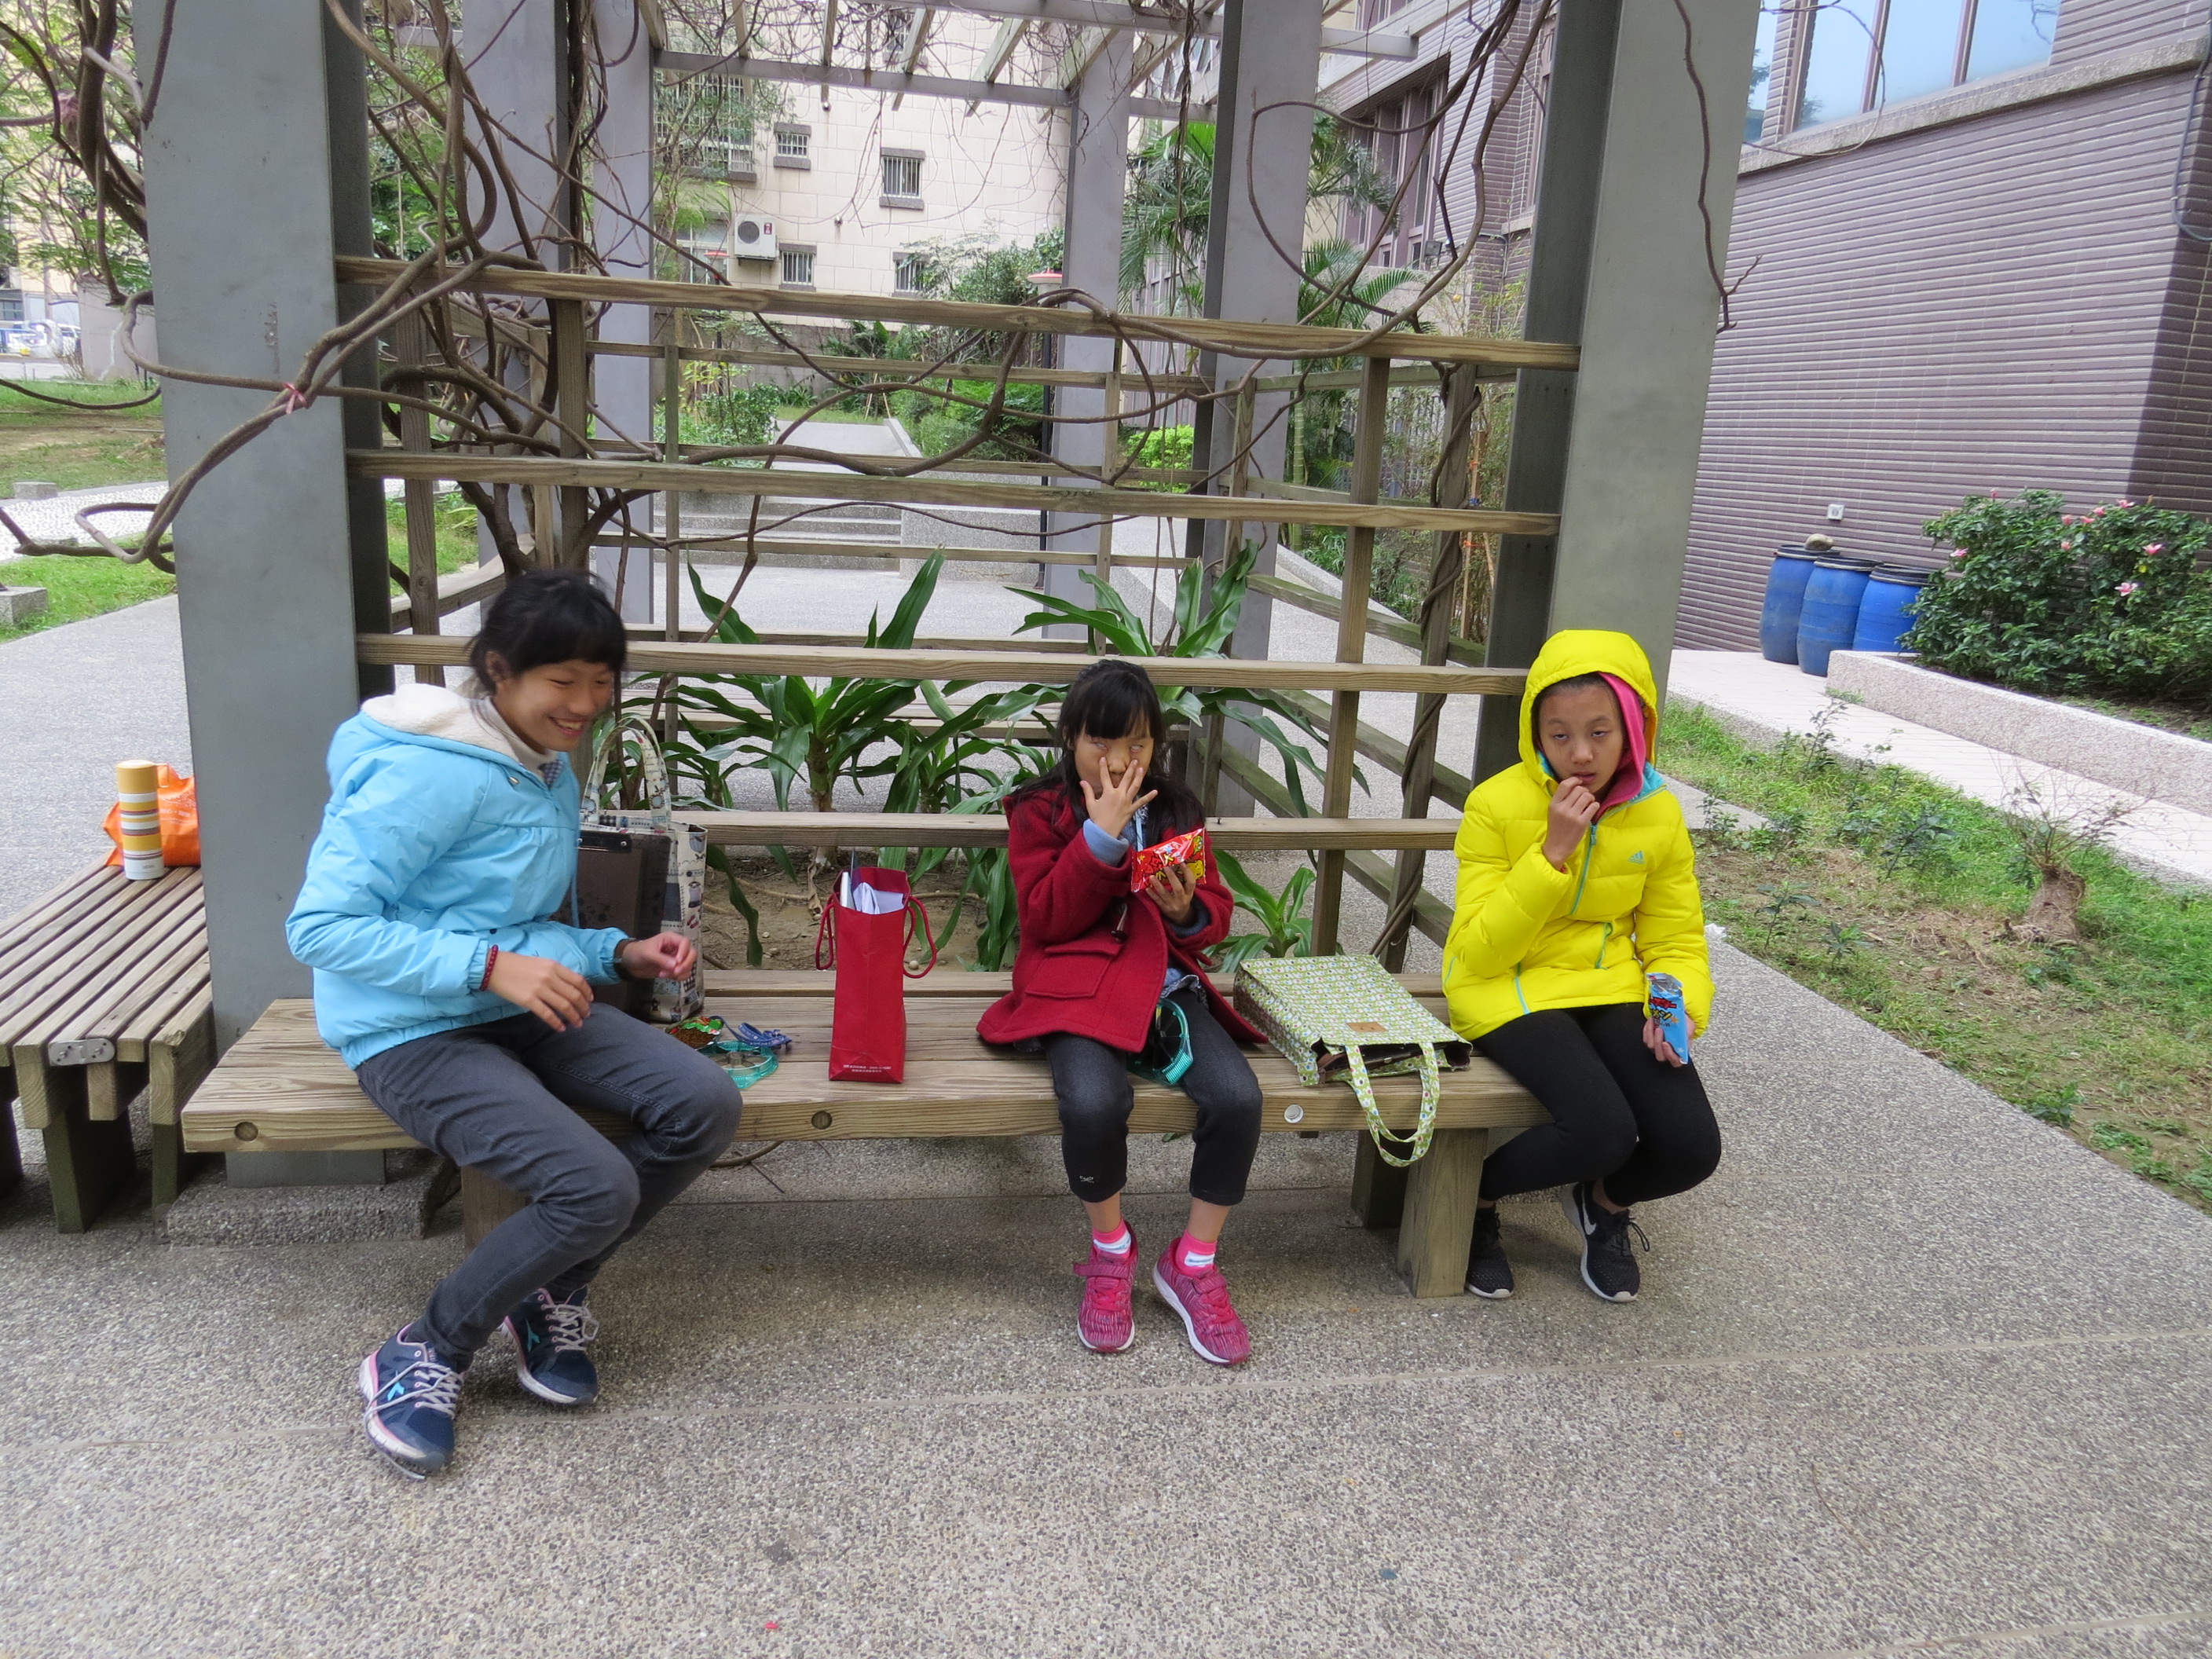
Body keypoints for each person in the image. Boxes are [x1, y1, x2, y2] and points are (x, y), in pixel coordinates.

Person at [287, 569, 742, 1478]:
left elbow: (512, 921)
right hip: (411, 1031)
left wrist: (616, 953)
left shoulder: (539, 762)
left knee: (703, 1104)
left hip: (516, 1005)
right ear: (499, 671)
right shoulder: (423, 771)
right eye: (561, 681)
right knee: (593, 1188)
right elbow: (321, 927)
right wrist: (490, 968)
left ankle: (548, 1291)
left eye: (602, 681)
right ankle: (424, 1349)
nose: (585, 704)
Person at [978, 660, 1265, 1365]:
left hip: (1163, 986)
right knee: (1092, 1101)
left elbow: (1213, 914)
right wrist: (1098, 840)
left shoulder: (1174, 810)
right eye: (1099, 742)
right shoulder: (1040, 811)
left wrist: (1187, 909)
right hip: (1073, 989)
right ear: (1069, 738)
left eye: (1135, 744)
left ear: (1155, 745)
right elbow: (1044, 919)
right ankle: (1111, 1249)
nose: (1116, 761)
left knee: (1238, 1097)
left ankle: (1193, 1261)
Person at [1444, 629, 1720, 1304]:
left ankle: (1603, 1204)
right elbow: (1480, 950)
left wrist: (1678, 1006)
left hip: (1610, 986)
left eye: (1600, 732)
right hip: (1507, 987)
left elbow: (1676, 935)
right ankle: (1473, 1199)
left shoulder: (1658, 812)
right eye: (1560, 735)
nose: (1581, 754)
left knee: (1690, 1147)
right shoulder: (1497, 804)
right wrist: (1552, 854)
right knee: (1602, 1130)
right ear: (1535, 734)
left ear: (1634, 728)